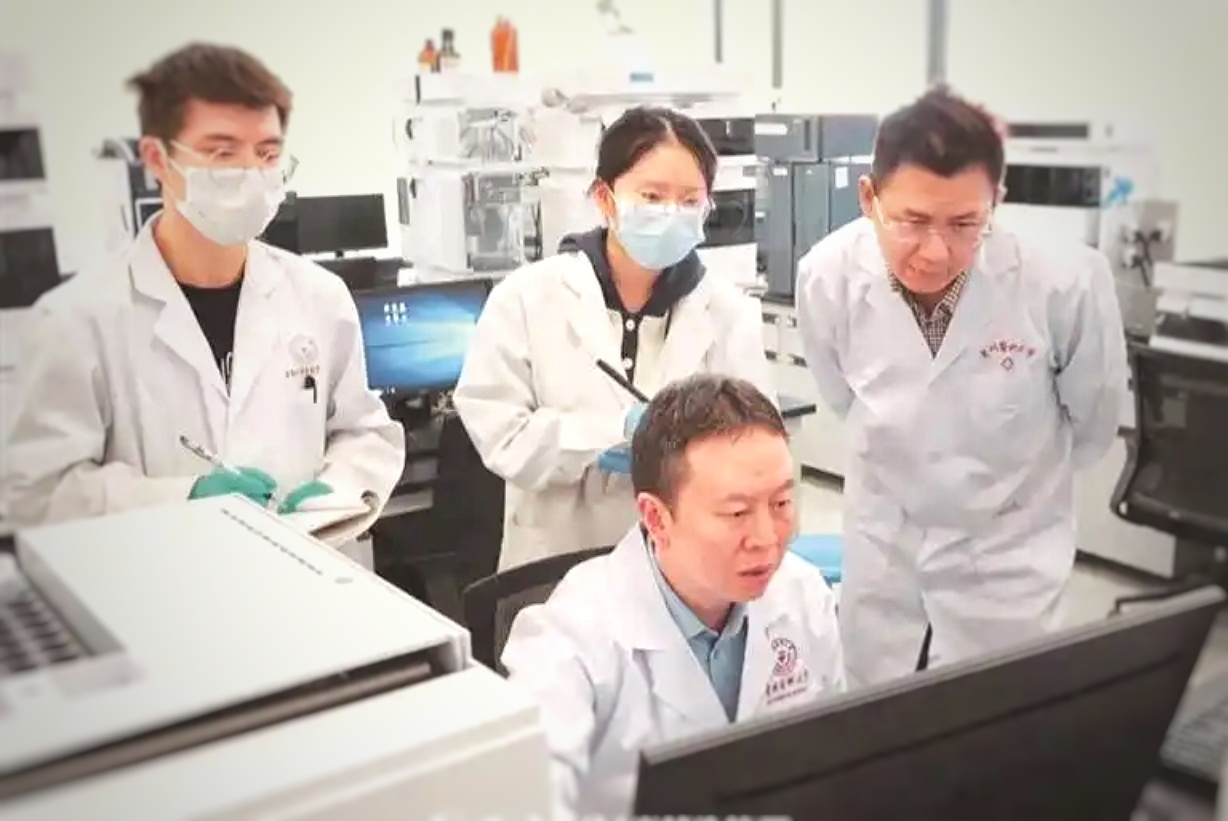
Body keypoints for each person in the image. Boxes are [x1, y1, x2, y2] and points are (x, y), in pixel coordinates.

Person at [795, 86, 1129, 687]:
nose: (935, 251)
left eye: (965, 224)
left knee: (999, 724)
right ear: (869, 198)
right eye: (913, 221)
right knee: (880, 718)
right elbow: (841, 397)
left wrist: (1004, 499)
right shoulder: (827, 275)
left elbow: (1093, 424)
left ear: (996, 201)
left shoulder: (1065, 281)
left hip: (1008, 564)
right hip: (886, 549)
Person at [0, 44, 404, 536]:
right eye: (222, 152)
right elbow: (39, 493)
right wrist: (180, 499)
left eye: (268, 153)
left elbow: (364, 433)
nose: (252, 174)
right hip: (160, 576)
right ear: (157, 159)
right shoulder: (77, 319)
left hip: (305, 564)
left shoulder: (320, 297)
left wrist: (338, 490)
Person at [501, 374, 845, 818]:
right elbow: (523, 803)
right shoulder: (570, 637)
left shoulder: (803, 597)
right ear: (656, 517)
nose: (767, 538)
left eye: (780, 504)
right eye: (737, 512)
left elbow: (833, 768)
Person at [454, 106, 775, 571]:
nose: (671, 213)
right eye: (652, 196)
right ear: (605, 198)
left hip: (681, 565)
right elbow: (502, 436)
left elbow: (755, 445)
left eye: (689, 201)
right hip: (555, 561)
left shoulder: (728, 313)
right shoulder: (527, 298)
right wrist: (611, 432)